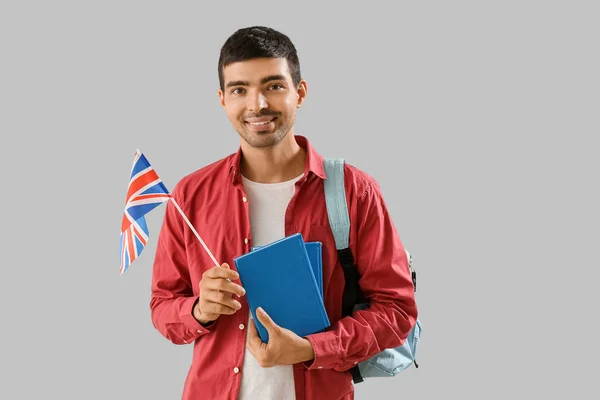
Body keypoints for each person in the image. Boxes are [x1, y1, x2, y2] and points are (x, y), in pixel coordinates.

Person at [150, 26, 418, 400]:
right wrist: (197, 310)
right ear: (222, 99)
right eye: (239, 89)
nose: (257, 104)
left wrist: (312, 350)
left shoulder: (354, 192)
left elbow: (396, 309)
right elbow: (162, 307)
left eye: (273, 86)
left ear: (300, 92)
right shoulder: (190, 195)